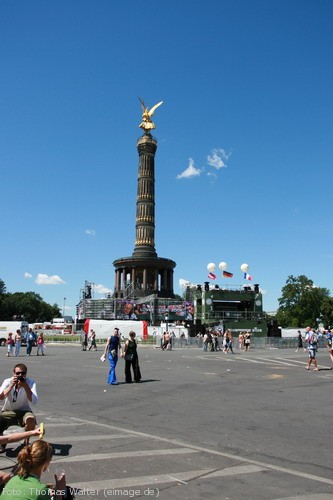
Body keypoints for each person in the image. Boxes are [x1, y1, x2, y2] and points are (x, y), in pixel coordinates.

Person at [1, 439, 67, 499]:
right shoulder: (41, 490)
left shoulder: (13, 479)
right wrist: (59, 489)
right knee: (65, 493)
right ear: (47, 461)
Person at [0, 363, 38, 453]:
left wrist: (25, 386)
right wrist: (11, 386)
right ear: (13, 373)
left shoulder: (30, 382)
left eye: (23, 373)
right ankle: (2, 442)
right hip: (8, 410)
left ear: (26, 374)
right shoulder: (7, 381)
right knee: (0, 420)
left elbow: (34, 401)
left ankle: (26, 442)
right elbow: (1, 397)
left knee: (30, 419)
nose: (20, 376)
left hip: (24, 410)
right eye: (17, 373)